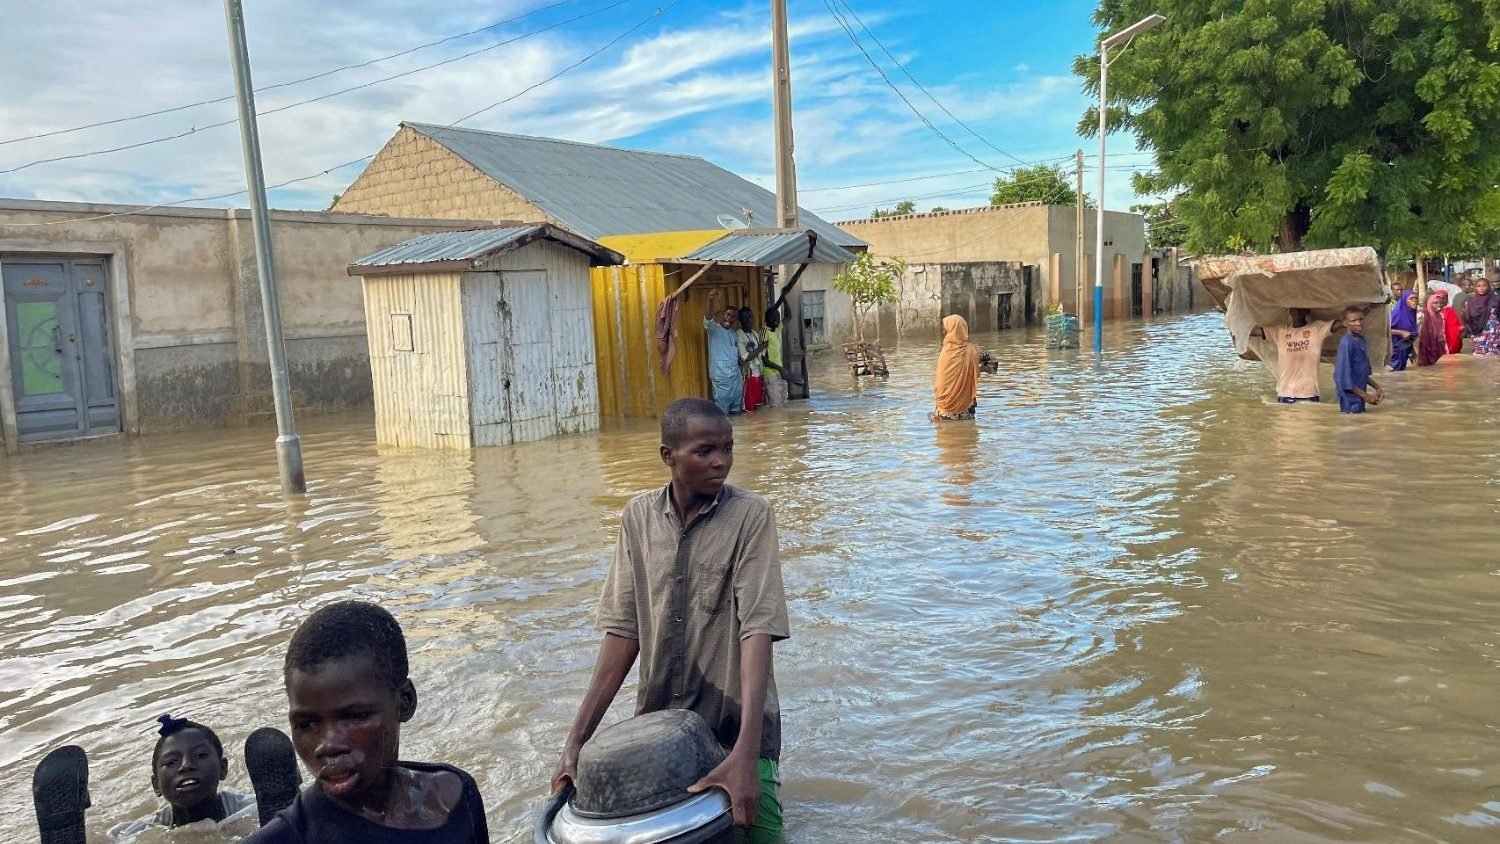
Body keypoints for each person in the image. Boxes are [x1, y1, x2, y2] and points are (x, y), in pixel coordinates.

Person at [554, 398, 790, 842]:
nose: (721, 462)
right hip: (659, 735)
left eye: (727, 449)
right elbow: (623, 632)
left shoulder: (750, 517)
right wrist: (576, 743)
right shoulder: (638, 518)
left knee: (763, 834)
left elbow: (757, 630)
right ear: (669, 457)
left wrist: (746, 755)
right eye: (705, 451)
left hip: (735, 726)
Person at [247, 601, 489, 843]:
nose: (327, 745)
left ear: (405, 702)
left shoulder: (455, 796)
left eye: (355, 716)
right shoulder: (286, 838)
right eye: (307, 724)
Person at [108, 715, 256, 840]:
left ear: (223, 769)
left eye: (200, 755)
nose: (186, 765)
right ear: (156, 785)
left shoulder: (255, 809)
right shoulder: (131, 834)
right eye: (171, 762)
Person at [1250, 308, 1338, 403]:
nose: (1297, 311)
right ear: (1290, 311)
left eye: (1301, 309)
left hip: (1309, 394)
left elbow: (1337, 325)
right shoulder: (1280, 332)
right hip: (1285, 394)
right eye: (1294, 309)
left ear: (1307, 311)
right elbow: (1253, 332)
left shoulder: (1316, 329)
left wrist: (1350, 320)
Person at [1334, 306, 1384, 414]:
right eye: (1353, 321)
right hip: (1350, 398)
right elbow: (1344, 380)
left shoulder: (1361, 339)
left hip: (1359, 393)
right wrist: (1366, 396)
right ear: (1345, 323)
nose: (1358, 323)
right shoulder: (1346, 343)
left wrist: (1377, 387)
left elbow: (1361, 372)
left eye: (1360, 319)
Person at [933, 314, 982, 421]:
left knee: (946, 436)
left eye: (946, 329)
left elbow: (941, 384)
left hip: (944, 412)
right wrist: (976, 370)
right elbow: (993, 363)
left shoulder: (945, 351)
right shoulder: (973, 351)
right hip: (966, 410)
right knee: (968, 436)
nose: (943, 332)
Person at [704, 291, 743, 414]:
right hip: (721, 380)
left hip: (736, 380)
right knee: (722, 414)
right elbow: (708, 318)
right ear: (723, 315)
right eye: (728, 315)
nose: (729, 318)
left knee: (737, 414)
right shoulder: (714, 329)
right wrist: (710, 300)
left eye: (733, 317)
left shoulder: (734, 334)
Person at [737, 306, 766, 413]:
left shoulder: (755, 333)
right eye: (745, 318)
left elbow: (761, 355)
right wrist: (760, 348)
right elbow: (745, 357)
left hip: (759, 374)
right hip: (748, 376)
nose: (749, 320)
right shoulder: (739, 335)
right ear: (740, 320)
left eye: (750, 317)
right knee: (749, 409)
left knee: (759, 407)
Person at [760, 307, 789, 408]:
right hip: (770, 375)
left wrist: (784, 297)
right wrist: (780, 369)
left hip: (779, 374)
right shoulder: (765, 332)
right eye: (774, 318)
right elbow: (762, 358)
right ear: (767, 319)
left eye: (778, 317)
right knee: (776, 408)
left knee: (782, 407)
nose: (777, 320)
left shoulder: (776, 329)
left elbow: (789, 317)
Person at [1417, 290, 1452, 366]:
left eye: (1441, 303)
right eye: (1435, 303)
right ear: (1430, 304)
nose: (1439, 305)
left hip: (1435, 345)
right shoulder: (1423, 314)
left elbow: (1441, 333)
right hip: (1423, 346)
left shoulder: (1440, 316)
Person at [1467, 278, 1500, 357]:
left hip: (1492, 333)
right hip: (1477, 333)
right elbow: (1468, 318)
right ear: (1475, 287)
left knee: (1493, 355)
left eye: (1484, 286)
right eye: (1478, 286)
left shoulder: (1496, 299)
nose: (1481, 288)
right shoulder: (1470, 302)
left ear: (1488, 287)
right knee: (1479, 355)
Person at [1388, 290, 1417, 370]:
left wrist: (1412, 350)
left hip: (1404, 352)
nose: (1414, 301)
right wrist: (1400, 332)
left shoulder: (1413, 314)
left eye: (1416, 298)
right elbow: (1385, 331)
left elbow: (1410, 334)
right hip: (1394, 353)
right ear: (1404, 300)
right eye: (1411, 298)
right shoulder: (1397, 314)